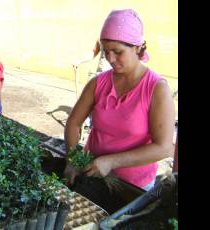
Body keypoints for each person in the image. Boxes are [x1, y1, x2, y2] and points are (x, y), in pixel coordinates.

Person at [64, 9, 175, 191]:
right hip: (92, 175)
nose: (110, 59)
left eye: (117, 52)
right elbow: (74, 123)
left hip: (132, 186)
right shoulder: (98, 83)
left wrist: (111, 161)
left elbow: (163, 147)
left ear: (137, 47)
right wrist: (72, 160)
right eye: (106, 52)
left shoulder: (156, 89)